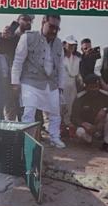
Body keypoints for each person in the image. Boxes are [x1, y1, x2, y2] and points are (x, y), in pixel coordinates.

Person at [11, 14, 66, 148]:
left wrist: (61, 86)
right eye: (51, 26)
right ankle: (27, 140)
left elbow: (60, 67)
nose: (54, 31)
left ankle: (54, 137)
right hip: (30, 81)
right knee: (29, 111)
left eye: (57, 28)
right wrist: (15, 82)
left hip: (51, 83)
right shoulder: (28, 37)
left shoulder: (59, 43)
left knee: (55, 112)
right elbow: (18, 61)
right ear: (43, 22)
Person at [71, 74, 108, 152]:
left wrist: (105, 109)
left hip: (100, 125)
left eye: (96, 86)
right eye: (91, 87)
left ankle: (107, 143)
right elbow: (73, 117)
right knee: (79, 132)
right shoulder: (80, 98)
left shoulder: (104, 95)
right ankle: (89, 141)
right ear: (86, 87)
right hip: (87, 127)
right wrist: (83, 123)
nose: (94, 89)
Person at [0, 14, 33, 120]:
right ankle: (10, 136)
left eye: (30, 20)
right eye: (24, 19)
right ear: (17, 20)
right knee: (10, 111)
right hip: (11, 80)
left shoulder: (32, 38)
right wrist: (3, 37)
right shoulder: (11, 37)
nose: (27, 22)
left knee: (26, 111)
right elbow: (0, 49)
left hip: (27, 80)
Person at [60, 35, 81, 124]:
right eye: (70, 44)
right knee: (61, 107)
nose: (72, 47)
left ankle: (68, 126)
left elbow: (77, 73)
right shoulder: (60, 57)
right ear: (65, 45)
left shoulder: (77, 58)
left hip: (72, 87)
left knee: (70, 107)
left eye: (73, 45)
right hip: (62, 86)